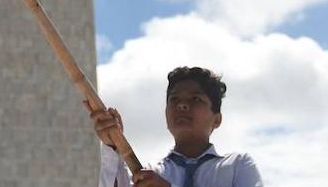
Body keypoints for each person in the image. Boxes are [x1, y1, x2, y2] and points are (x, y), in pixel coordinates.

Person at [92, 66, 263, 187]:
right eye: (174, 100)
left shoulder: (237, 165)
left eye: (195, 99)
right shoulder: (148, 173)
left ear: (216, 119)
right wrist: (113, 145)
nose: (182, 105)